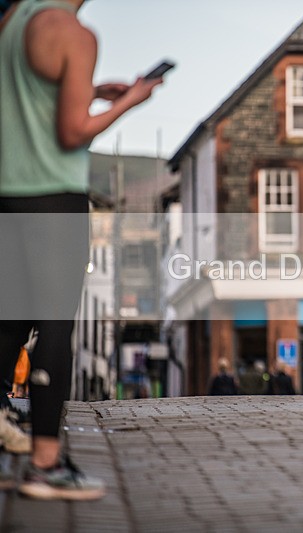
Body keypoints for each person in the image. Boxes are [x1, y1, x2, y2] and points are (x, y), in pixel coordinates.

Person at [0, 0, 163, 500]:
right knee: (53, 326)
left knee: (9, 321)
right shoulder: (73, 32)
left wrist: (89, 91)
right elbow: (71, 132)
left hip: (7, 194)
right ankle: (46, 463)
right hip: (52, 195)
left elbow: (24, 96)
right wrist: (128, 102)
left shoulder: (12, 21)